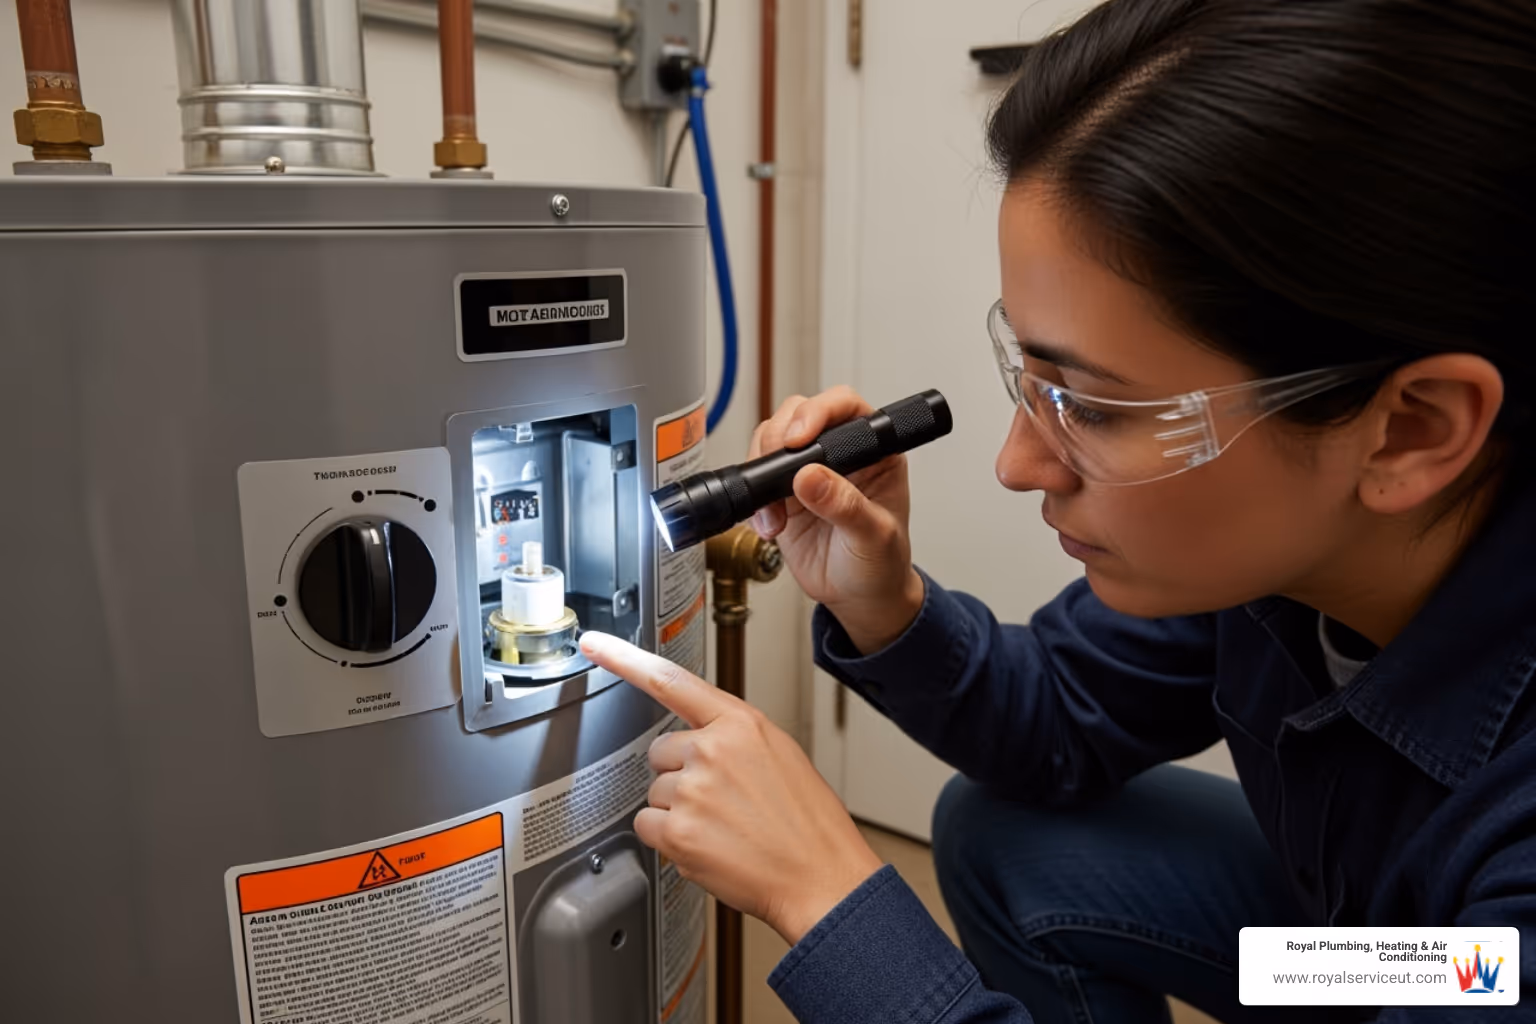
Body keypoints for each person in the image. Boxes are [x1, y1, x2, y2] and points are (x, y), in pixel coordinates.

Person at [579, 0, 1536, 1019]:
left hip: (1483, 970)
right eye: (1030, 380)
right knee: (1013, 840)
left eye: (1093, 404)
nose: (1016, 462)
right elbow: (1058, 726)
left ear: (1412, 430)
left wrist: (829, 904)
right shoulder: (1277, 566)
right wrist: (885, 601)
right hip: (1418, 965)